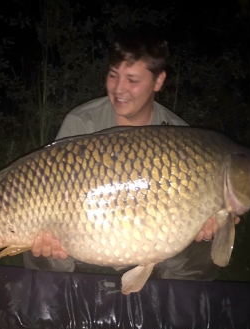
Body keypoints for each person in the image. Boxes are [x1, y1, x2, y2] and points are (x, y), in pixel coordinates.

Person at [23, 26, 236, 279]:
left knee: (205, 251)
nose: (119, 89)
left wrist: (206, 224)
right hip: (86, 243)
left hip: (155, 246)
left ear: (158, 81)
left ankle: (168, 310)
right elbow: (45, 189)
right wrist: (47, 237)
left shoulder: (182, 137)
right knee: (41, 253)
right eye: (113, 76)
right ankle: (60, 314)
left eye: (132, 80)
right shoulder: (82, 123)